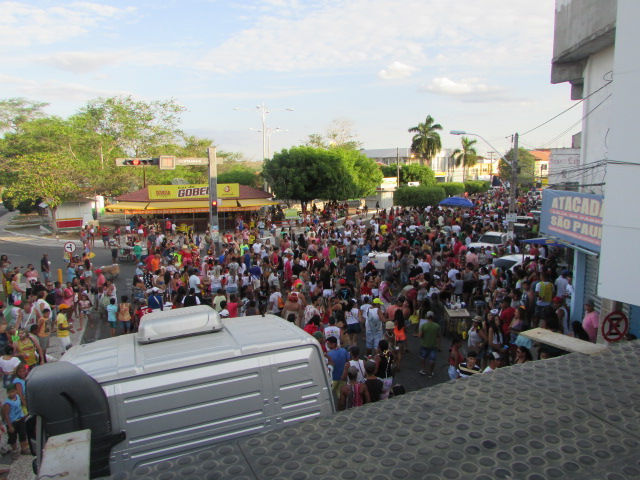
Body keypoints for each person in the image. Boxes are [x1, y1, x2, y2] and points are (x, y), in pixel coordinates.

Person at [2, 383, 28, 459]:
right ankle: (15, 451)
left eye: (13, 391)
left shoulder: (17, 397)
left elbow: (21, 405)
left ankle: (23, 449)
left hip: (20, 419)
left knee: (23, 435)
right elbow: (6, 415)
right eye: (9, 392)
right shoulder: (7, 403)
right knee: (12, 438)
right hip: (12, 422)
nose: (11, 394)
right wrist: (10, 426)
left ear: (16, 391)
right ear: (7, 393)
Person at [418, 310, 440, 377]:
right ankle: (430, 372)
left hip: (424, 344)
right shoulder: (437, 326)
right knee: (432, 359)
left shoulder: (423, 326)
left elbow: (420, 336)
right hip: (433, 345)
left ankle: (423, 369)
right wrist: (439, 346)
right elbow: (438, 336)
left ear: (427, 317)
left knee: (422, 357)